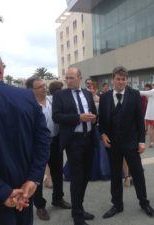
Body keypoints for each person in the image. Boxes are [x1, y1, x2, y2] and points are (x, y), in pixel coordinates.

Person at [0, 49, 50, 225]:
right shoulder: (26, 97)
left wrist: (3, 191)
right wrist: (34, 178)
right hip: (25, 192)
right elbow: (43, 140)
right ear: (0, 68)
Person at [99, 66, 154, 219]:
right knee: (115, 175)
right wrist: (102, 134)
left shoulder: (135, 95)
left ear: (127, 80)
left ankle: (144, 202)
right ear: (113, 80)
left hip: (131, 142)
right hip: (112, 144)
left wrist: (142, 141)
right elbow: (102, 121)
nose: (121, 82)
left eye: (123, 79)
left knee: (137, 173)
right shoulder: (104, 98)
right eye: (118, 79)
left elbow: (139, 119)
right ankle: (117, 204)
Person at [52, 67, 97, 225]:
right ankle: (77, 215)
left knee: (85, 177)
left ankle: (78, 207)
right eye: (67, 78)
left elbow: (93, 112)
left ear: (79, 77)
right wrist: (78, 117)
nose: (68, 81)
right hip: (73, 142)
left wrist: (93, 118)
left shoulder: (86, 93)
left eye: (71, 78)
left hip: (89, 139)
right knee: (77, 178)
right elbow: (56, 117)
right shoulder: (60, 95)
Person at [25, 77, 71, 221]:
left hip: (55, 140)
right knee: (37, 175)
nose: (44, 88)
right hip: (38, 144)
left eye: (44, 86)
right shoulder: (29, 105)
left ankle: (58, 198)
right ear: (31, 90)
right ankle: (40, 206)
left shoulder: (52, 100)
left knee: (57, 172)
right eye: (40, 87)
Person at [88, 81, 111, 181]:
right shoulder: (85, 99)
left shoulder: (100, 99)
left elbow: (104, 113)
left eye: (93, 88)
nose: (91, 90)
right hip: (88, 126)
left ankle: (103, 170)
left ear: (97, 89)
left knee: (100, 148)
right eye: (90, 88)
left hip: (98, 125)